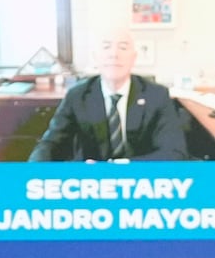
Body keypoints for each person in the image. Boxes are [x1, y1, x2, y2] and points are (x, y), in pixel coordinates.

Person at [27, 26, 190, 162]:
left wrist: (125, 166)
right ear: (95, 57)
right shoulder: (77, 96)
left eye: (123, 47)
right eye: (106, 47)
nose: (114, 54)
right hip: (91, 182)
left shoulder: (157, 95)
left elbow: (175, 151)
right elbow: (50, 144)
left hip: (140, 182)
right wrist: (29, 175)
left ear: (134, 58)